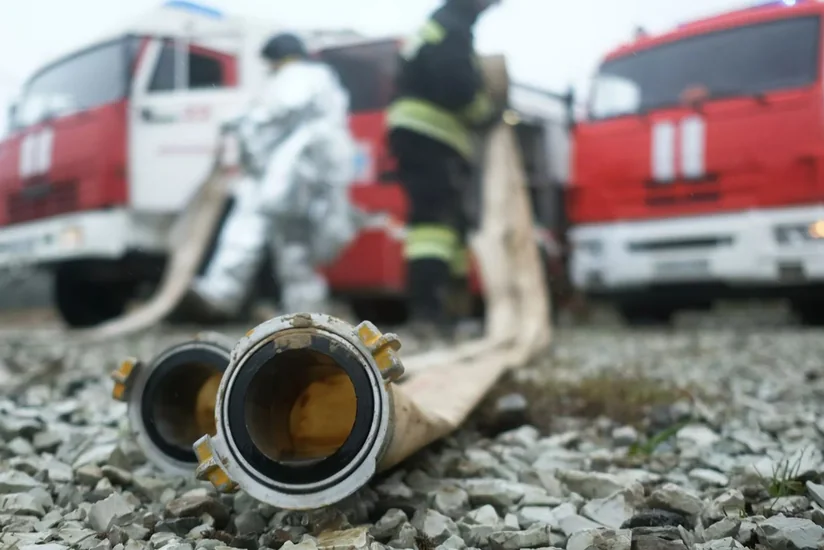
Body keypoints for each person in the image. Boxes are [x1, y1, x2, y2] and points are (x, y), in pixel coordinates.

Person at [182, 32, 359, 320]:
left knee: (250, 228)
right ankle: (304, 310)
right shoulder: (324, 80)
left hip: (291, 175)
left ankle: (222, 293)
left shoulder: (298, 76)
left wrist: (238, 121)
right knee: (294, 247)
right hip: (308, 178)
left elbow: (279, 112)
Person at [386, 0, 502, 338]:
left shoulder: (443, 24)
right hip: (429, 136)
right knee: (433, 226)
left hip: (425, 137)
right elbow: (458, 88)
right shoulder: (453, 27)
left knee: (449, 227)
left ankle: (450, 312)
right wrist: (485, 113)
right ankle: (428, 314)